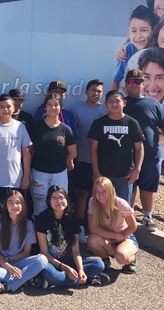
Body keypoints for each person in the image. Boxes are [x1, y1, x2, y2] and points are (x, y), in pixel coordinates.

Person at [124, 69, 164, 232]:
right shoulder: (121, 103)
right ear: (126, 85)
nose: (135, 84)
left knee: (148, 187)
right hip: (127, 156)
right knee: (129, 187)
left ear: (143, 84)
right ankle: (128, 219)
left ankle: (147, 217)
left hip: (151, 154)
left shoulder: (153, 104)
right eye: (131, 81)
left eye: (138, 81)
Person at [37, 185, 108, 287]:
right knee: (48, 272)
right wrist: (66, 268)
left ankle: (58, 281)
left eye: (61, 198)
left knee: (99, 264)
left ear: (66, 200)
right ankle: (84, 280)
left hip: (66, 260)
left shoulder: (71, 219)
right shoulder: (42, 219)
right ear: (49, 201)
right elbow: (44, 253)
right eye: (54, 199)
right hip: (50, 262)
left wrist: (80, 270)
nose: (58, 201)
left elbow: (76, 251)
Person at [0, 190, 47, 295]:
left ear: (23, 205)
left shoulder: (28, 224)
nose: (14, 205)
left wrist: (10, 261)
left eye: (18, 202)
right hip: (1, 262)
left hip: (18, 261)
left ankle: (8, 286)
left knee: (42, 259)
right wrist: (9, 267)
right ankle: (26, 280)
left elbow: (26, 253)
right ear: (6, 206)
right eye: (10, 202)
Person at [88, 90, 144, 204]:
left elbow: (139, 148)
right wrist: (96, 172)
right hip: (104, 174)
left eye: (117, 101)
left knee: (123, 208)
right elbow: (93, 149)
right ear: (106, 104)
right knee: (102, 207)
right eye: (110, 101)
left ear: (124, 103)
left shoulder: (132, 123)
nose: (114, 104)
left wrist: (137, 170)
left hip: (125, 175)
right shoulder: (99, 123)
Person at [0, 94, 32, 219]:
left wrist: (26, 176)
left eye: (8, 106)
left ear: (14, 108)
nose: (5, 110)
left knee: (16, 213)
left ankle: (15, 239)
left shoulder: (20, 127)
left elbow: (26, 153)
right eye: (1, 107)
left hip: (16, 180)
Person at [70, 79, 108, 243]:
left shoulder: (106, 110)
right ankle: (80, 227)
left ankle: (100, 228)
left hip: (104, 162)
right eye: (93, 90)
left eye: (99, 91)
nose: (96, 93)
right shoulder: (77, 110)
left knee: (101, 196)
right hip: (83, 159)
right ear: (86, 91)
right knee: (82, 195)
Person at [30, 93, 76, 216]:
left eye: (56, 105)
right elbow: (29, 151)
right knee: (40, 205)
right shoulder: (36, 127)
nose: (52, 107)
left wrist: (63, 162)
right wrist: (28, 171)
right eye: (49, 105)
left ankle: (57, 232)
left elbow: (73, 152)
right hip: (38, 173)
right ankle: (40, 233)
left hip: (59, 174)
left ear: (61, 107)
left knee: (59, 205)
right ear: (45, 107)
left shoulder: (66, 129)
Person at [87, 177, 139, 274]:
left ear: (111, 190)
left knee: (121, 256)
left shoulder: (120, 203)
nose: (100, 195)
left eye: (104, 191)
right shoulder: (92, 202)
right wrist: (114, 236)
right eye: (97, 192)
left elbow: (133, 226)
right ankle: (105, 259)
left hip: (124, 237)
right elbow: (93, 228)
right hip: (108, 237)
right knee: (92, 240)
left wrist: (121, 236)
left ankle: (131, 259)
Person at [112, 6, 157, 91]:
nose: (138, 36)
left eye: (144, 30)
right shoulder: (125, 51)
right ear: (128, 33)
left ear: (154, 31)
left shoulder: (157, 51)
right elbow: (116, 81)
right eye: (134, 31)